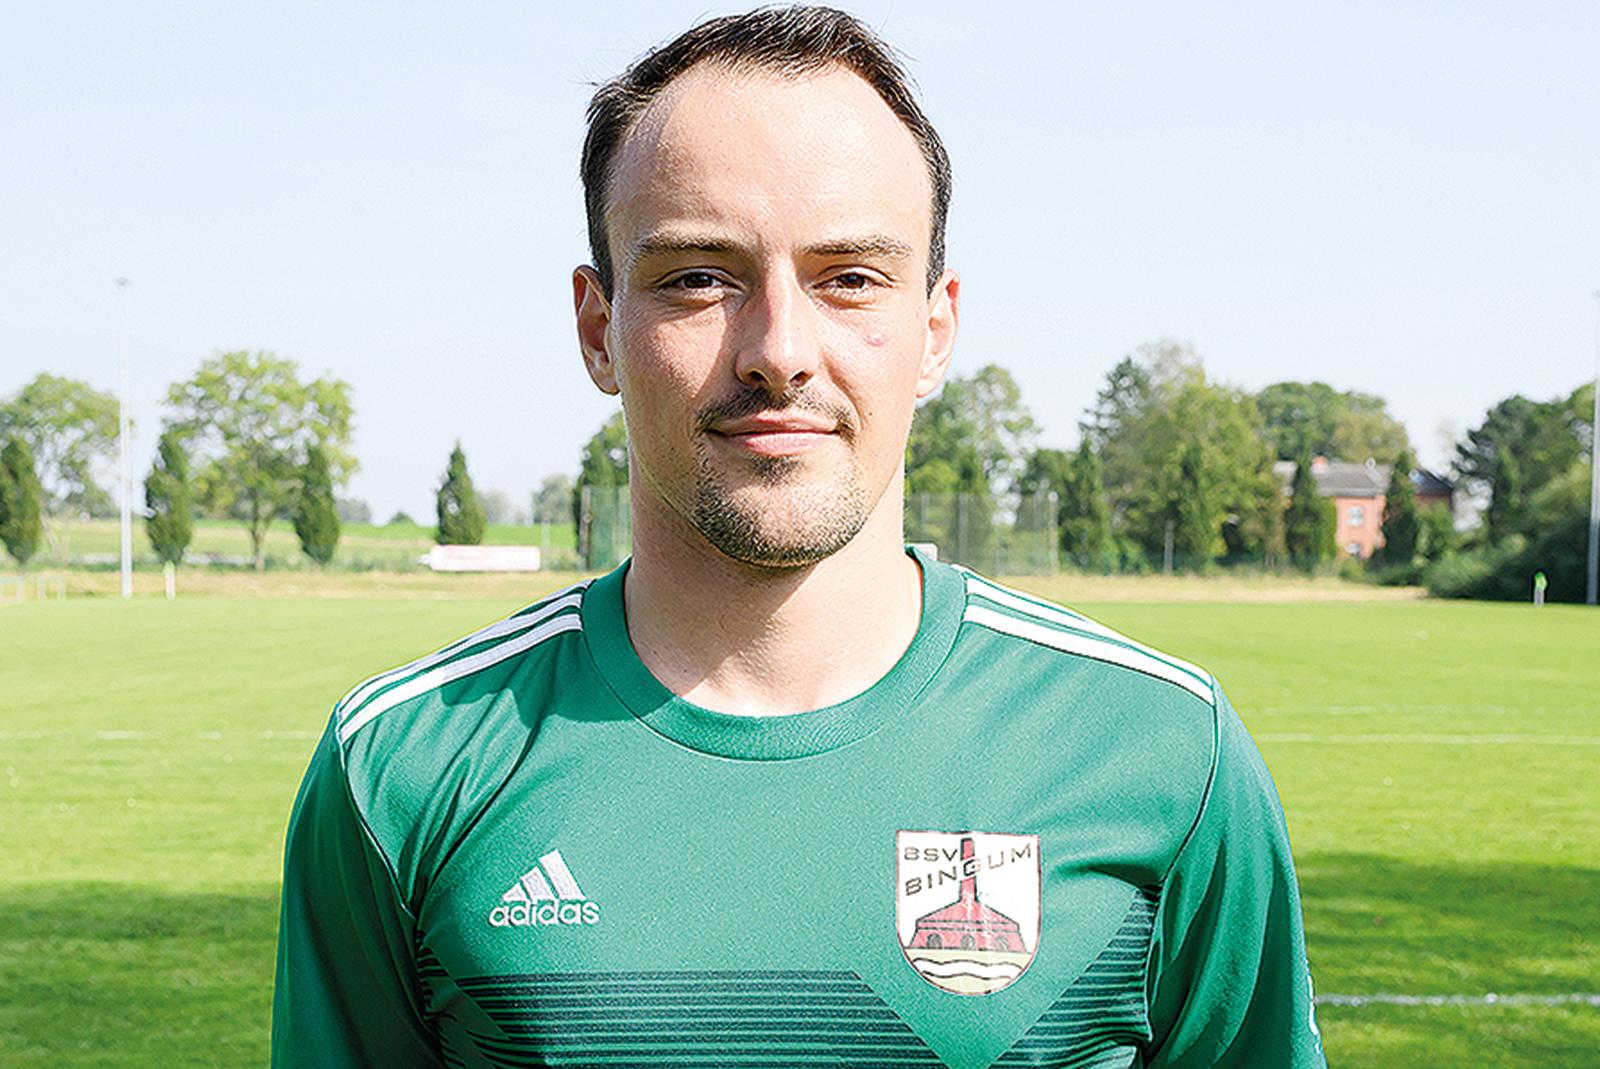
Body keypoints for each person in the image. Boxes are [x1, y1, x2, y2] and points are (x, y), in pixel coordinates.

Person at [271, 7, 1328, 1067]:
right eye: (698, 276)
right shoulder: (404, 766)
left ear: (935, 330)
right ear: (598, 330)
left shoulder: (1159, 749)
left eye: (849, 277)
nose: (778, 350)